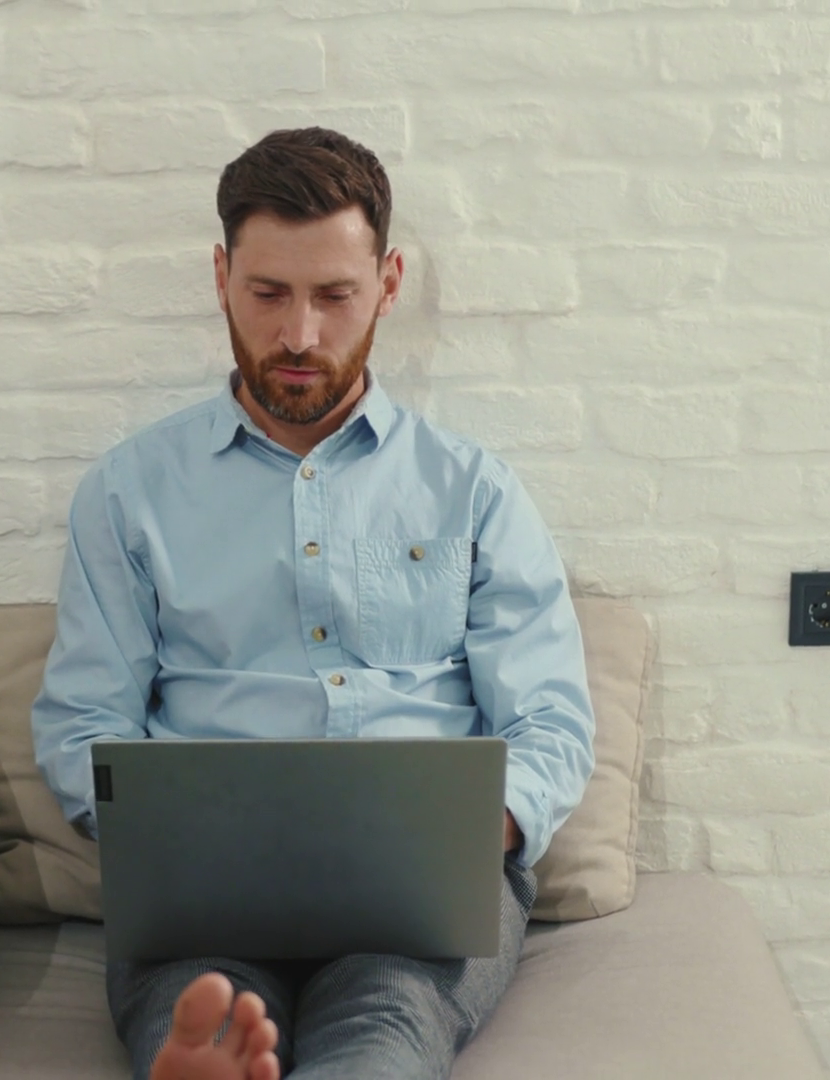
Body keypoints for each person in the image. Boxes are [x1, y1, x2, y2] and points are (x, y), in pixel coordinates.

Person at [30, 127, 596, 1080]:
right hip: (204, 898)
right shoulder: (128, 494)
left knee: (384, 1039)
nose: (300, 335)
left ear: (389, 283)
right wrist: (172, 837)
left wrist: (466, 832)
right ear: (221, 278)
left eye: (334, 296)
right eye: (268, 294)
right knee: (200, 1030)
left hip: (417, 900)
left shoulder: (473, 492)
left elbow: (551, 723)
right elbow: (83, 723)